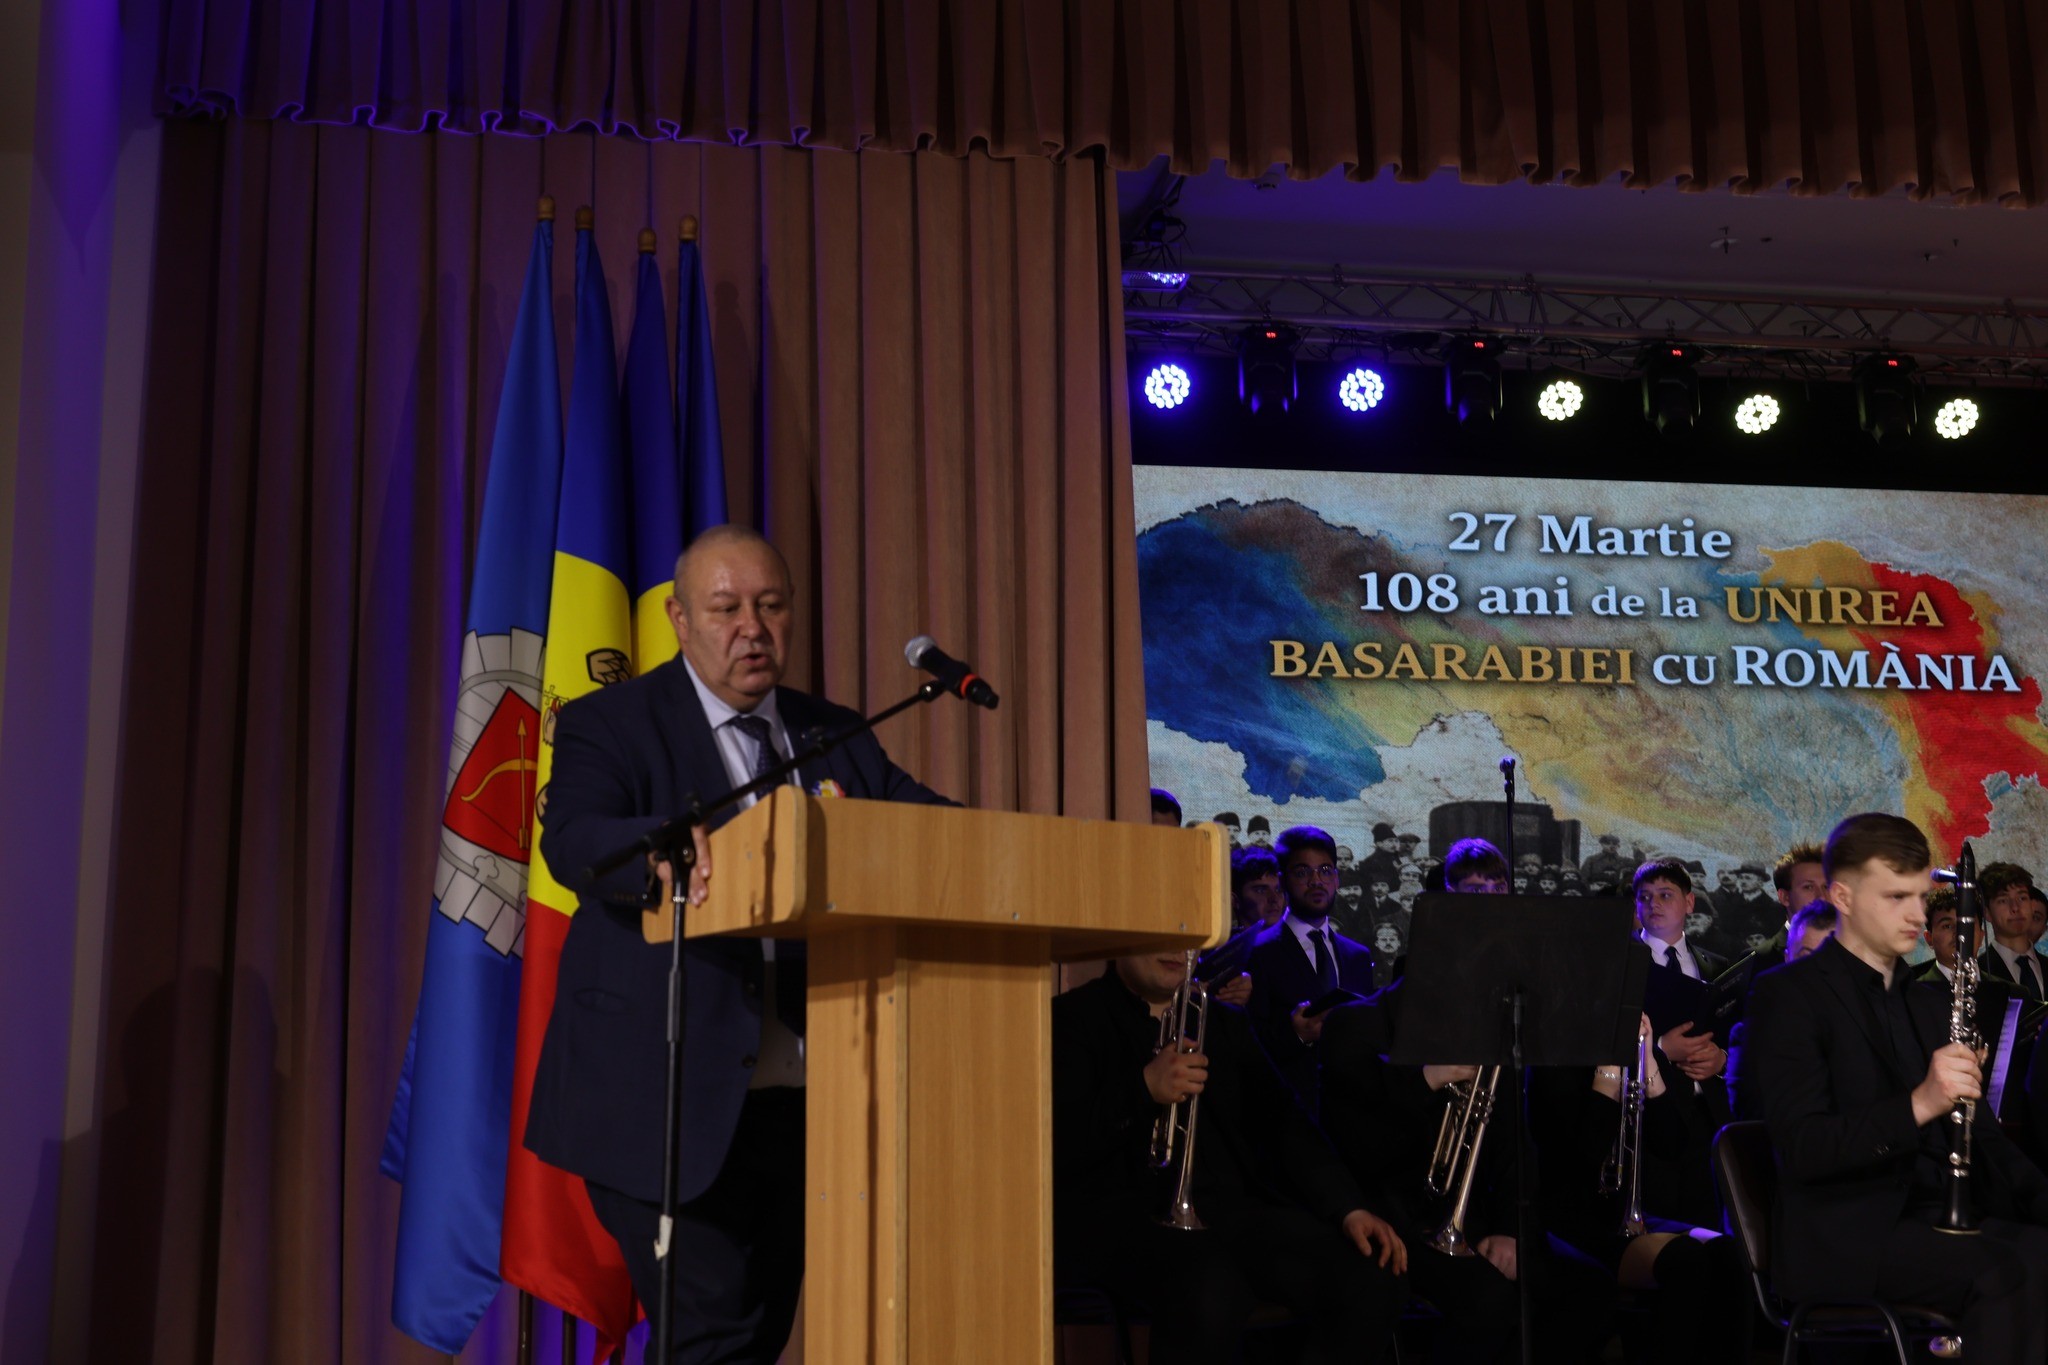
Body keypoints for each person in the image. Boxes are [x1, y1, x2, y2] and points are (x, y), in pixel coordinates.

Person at [525, 526, 951, 1362]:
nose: (752, 627)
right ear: (681, 620)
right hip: (663, 1091)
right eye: (726, 609)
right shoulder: (613, 721)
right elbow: (572, 837)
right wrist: (660, 849)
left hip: (804, 1105)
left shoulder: (834, 732)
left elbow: (927, 828)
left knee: (752, 1338)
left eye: (771, 605)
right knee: (710, 1334)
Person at [1739, 813, 2048, 1359]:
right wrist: (1921, 1103)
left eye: (1920, 896)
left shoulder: (1928, 1003)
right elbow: (1805, 1147)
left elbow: (1986, 1138)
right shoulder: (1787, 995)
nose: (1917, 914)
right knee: (2012, 1271)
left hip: (1935, 1220)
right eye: (1896, 897)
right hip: (1846, 1237)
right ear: (1843, 896)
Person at [1052, 949, 1410, 1365]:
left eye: (1187, 936)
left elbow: (1285, 1124)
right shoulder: (1072, 1018)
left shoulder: (1223, 1022)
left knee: (1374, 1274)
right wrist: (1143, 1089)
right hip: (1124, 1221)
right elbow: (1061, 1145)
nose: (1176, 949)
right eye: (1161, 935)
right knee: (1210, 1286)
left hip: (1230, 1216)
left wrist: (1348, 1208)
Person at [1245, 825, 1377, 1111]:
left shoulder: (1357, 956)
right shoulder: (1257, 953)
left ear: (1337, 878)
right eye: (1303, 872)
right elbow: (1245, 1046)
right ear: (1283, 880)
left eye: (1325, 870)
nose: (1316, 881)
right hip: (1285, 1112)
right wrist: (1296, 1035)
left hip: (1352, 1112)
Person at [1977, 863, 2048, 1001]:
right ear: (1987, 913)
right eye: (2003, 900)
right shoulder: (1979, 972)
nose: (2015, 908)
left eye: (2022, 898)